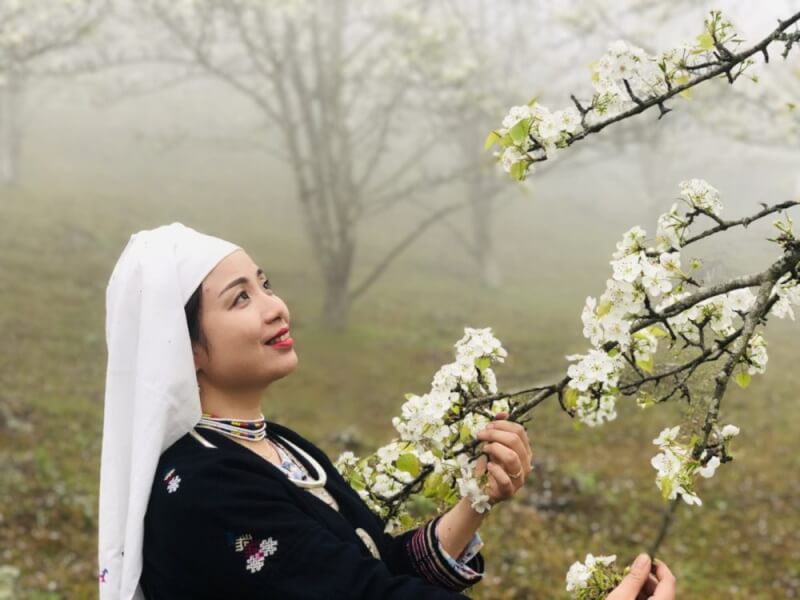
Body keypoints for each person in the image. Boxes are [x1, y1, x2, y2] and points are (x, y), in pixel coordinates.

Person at [97, 223, 675, 599]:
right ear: (182, 346)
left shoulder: (281, 446)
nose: (275, 308)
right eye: (240, 298)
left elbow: (377, 567)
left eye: (265, 284)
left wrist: (475, 499)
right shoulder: (200, 487)